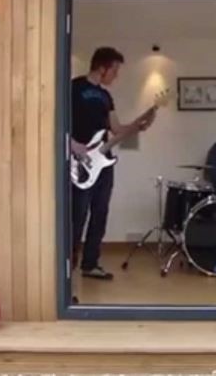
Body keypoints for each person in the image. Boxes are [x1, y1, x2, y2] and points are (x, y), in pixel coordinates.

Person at [70, 46, 154, 280]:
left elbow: (117, 129)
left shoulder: (106, 96)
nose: (116, 75)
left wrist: (140, 124)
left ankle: (91, 264)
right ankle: (67, 265)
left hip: (103, 163)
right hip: (79, 162)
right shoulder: (74, 88)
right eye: (115, 70)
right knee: (77, 215)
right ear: (102, 67)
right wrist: (71, 143)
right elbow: (56, 120)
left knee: (100, 212)